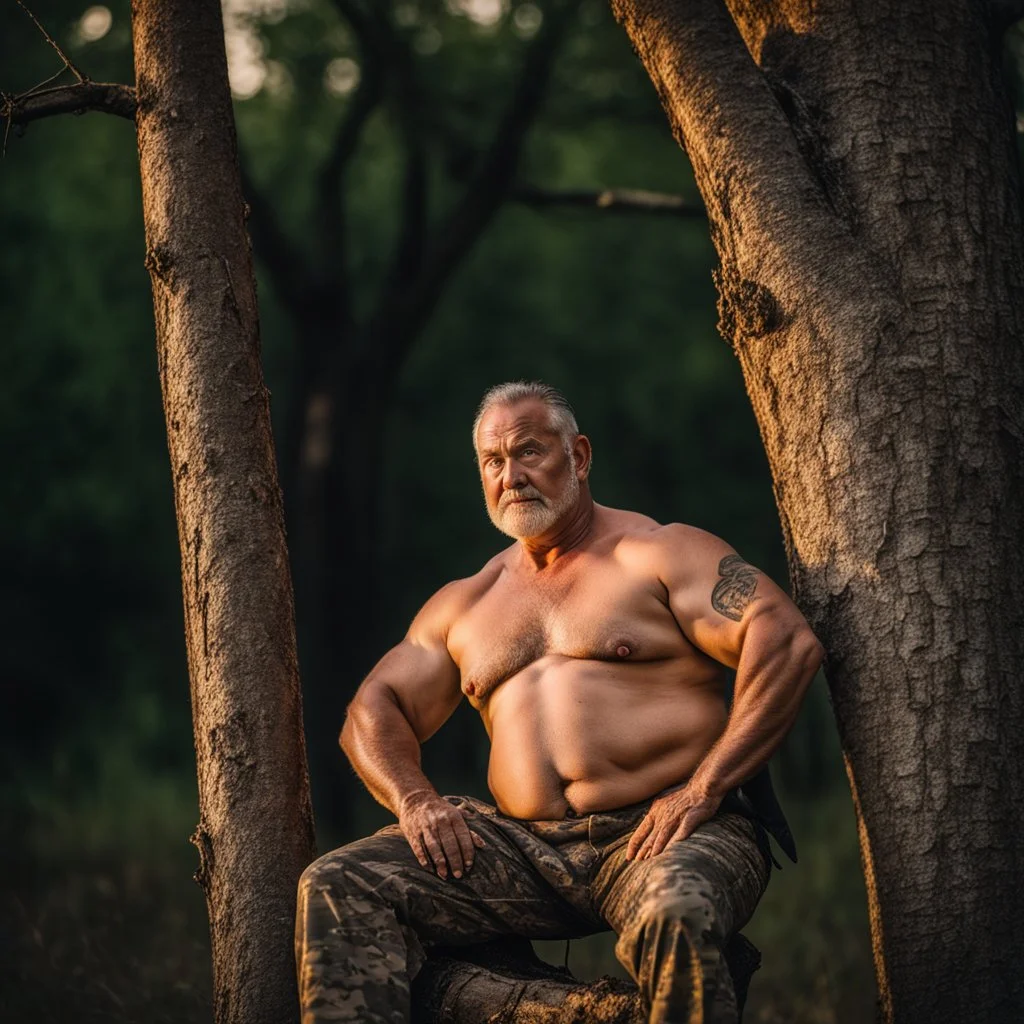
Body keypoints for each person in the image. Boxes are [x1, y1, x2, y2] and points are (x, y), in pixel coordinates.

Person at [295, 381, 824, 1024]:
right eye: (493, 461)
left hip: (670, 830)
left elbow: (783, 637)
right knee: (337, 884)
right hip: (523, 852)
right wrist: (416, 800)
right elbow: (372, 707)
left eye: (529, 452)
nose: (510, 475)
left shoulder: (656, 553)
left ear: (579, 455)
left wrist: (707, 786)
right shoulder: (468, 601)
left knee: (676, 915)